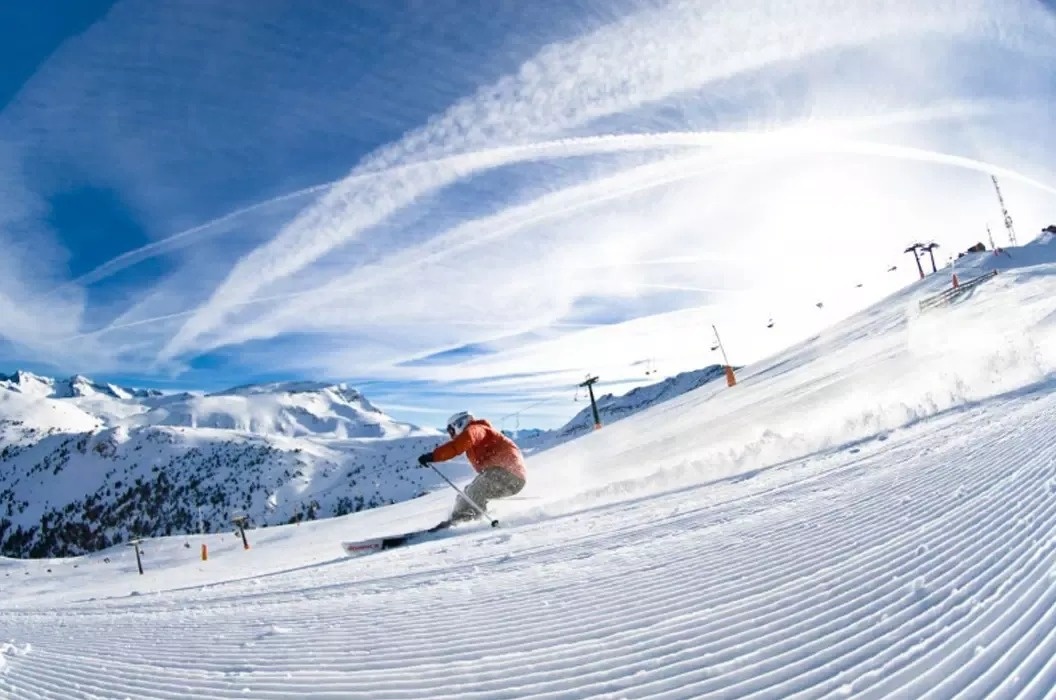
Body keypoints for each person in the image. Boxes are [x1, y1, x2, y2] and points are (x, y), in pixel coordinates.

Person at [418, 410, 526, 526]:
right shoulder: (475, 442)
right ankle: (459, 520)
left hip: (508, 474)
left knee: (475, 490)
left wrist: (434, 456)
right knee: (465, 495)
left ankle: (464, 520)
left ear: (459, 424)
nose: (452, 435)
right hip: (507, 478)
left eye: (451, 430)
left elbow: (458, 444)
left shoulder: (476, 429)